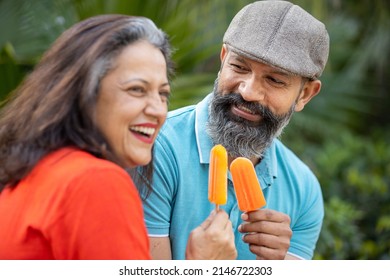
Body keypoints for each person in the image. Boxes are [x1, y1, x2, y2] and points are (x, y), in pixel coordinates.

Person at [0, 15, 237, 260]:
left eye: (163, 94)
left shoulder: (30, 174)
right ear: (84, 92)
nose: (158, 110)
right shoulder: (95, 182)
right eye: (137, 89)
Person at [141, 0, 330, 260]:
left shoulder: (304, 190)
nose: (248, 91)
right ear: (223, 58)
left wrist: (281, 265)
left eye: (274, 80)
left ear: (305, 95)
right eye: (239, 67)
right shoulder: (154, 148)